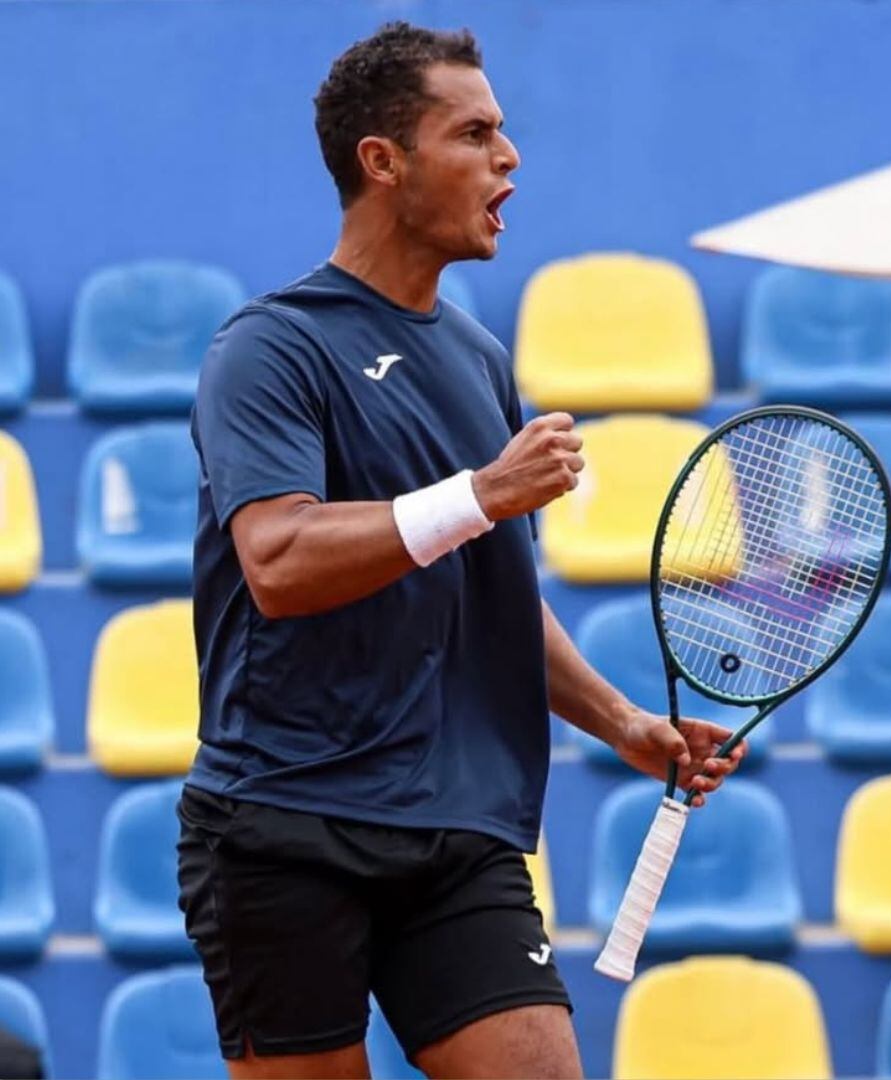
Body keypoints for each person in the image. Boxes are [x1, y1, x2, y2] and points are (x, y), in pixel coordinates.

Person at [176, 22, 742, 1079]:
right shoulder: (269, 348)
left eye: (505, 131)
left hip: (459, 831)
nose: (509, 156)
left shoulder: (480, 359)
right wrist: (481, 492)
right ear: (382, 163)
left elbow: (493, 589)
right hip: (286, 822)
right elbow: (280, 562)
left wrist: (624, 722)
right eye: (475, 133)